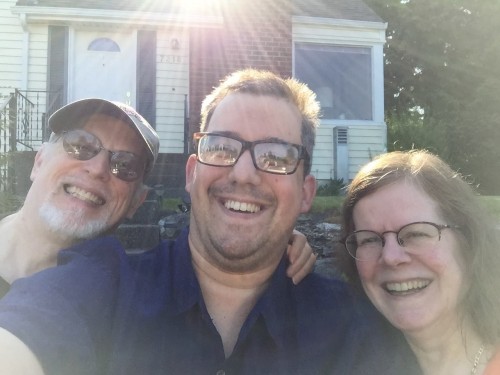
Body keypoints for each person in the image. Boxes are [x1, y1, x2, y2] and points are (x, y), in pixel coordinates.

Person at [103, 69, 418, 374]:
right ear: (191, 173)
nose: (243, 174)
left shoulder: (356, 335)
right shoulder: (103, 293)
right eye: (222, 148)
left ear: (306, 193)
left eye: (276, 157)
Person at [0, 97, 316, 374]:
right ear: (38, 161)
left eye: (124, 166)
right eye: (81, 146)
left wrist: (273, 231)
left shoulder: (107, 281)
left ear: (137, 203)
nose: (97, 169)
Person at [339, 149, 500, 375]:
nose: (390, 257)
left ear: (469, 241)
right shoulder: (347, 359)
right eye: (370, 240)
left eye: (416, 234)